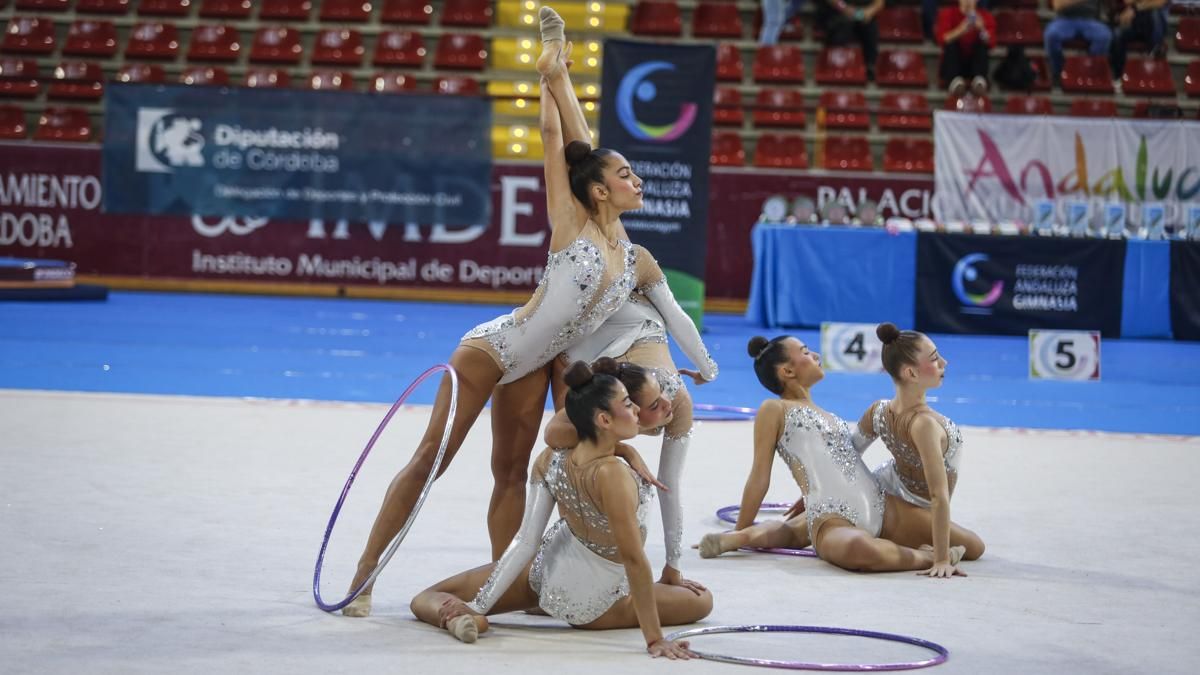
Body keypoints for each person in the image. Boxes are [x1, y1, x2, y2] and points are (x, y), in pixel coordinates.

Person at [343, 6, 660, 617]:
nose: (636, 179)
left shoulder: (628, 250)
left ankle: (502, 585)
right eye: (625, 174)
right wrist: (553, 72)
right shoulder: (572, 224)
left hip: (540, 362)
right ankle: (364, 574)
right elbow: (565, 144)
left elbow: (586, 154)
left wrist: (558, 73)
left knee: (513, 473)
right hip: (497, 348)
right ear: (599, 189)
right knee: (433, 458)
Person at [408, 360, 712, 658]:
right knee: (702, 601)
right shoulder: (612, 475)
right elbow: (633, 559)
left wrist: (479, 606)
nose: (635, 410)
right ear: (604, 420)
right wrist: (655, 639)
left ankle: (453, 618)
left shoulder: (549, 459)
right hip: (596, 605)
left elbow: (525, 542)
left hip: (544, 577)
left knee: (427, 597)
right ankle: (475, 613)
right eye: (628, 403)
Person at [697, 336, 983, 577]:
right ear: (788, 371)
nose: (816, 355)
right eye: (806, 353)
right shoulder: (775, 409)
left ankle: (745, 536)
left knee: (972, 546)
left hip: (883, 506)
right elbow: (759, 476)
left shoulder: (832, 416)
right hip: (831, 519)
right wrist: (741, 526)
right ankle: (923, 557)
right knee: (859, 550)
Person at [544, 290, 720, 587]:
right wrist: (623, 449)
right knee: (571, 453)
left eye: (661, 399)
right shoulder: (603, 396)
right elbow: (553, 436)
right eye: (653, 407)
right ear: (618, 414)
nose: (666, 406)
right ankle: (560, 559)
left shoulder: (675, 400)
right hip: (592, 327)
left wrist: (673, 566)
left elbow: (669, 485)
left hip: (644, 321)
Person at [856, 322, 985, 577]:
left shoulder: (879, 409)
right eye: (935, 359)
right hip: (910, 505)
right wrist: (940, 559)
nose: (944, 363)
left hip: (884, 488)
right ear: (911, 374)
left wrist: (824, 491)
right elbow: (938, 496)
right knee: (975, 547)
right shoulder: (924, 424)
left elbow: (844, 454)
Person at [1044, 0, 1112, 87]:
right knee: (1051, 35)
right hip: (1065, 20)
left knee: (1104, 36)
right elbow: (1057, 6)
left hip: (1089, 20)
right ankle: (1058, 72)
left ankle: (1091, 71)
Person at [936, 0, 998, 97]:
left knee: (981, 45)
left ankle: (979, 81)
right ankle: (955, 82)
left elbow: (992, 44)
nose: (968, 1)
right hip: (954, 63)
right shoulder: (948, 13)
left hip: (974, 65)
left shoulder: (985, 16)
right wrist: (961, 30)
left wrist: (981, 29)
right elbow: (941, 39)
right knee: (952, 44)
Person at [818, 0, 884, 80]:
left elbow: (879, 3)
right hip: (838, 14)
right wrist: (845, 8)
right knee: (840, 29)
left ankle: (870, 65)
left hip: (862, 14)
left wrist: (869, 12)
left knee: (870, 27)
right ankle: (837, 66)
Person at [1109, 0, 1170, 83]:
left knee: (1155, 14)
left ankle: (1154, 49)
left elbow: (1160, 2)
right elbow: (1127, 1)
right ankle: (1118, 75)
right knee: (1117, 34)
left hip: (1150, 25)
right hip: (1134, 23)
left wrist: (1136, 7)